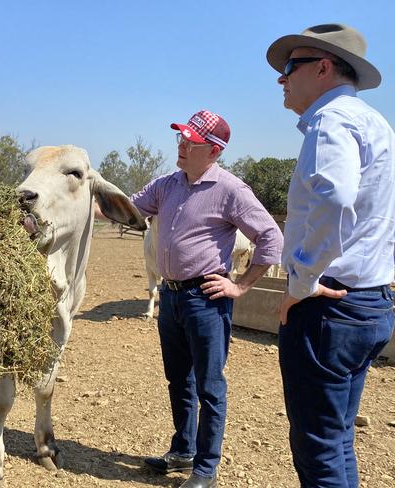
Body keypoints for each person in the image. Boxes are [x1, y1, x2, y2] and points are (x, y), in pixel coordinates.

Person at [266, 24, 395, 487]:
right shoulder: (376, 123)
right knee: (336, 441)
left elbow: (334, 200)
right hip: (371, 302)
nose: (282, 79)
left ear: (323, 67)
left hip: (328, 309)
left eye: (289, 67)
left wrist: (301, 283)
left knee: (319, 451)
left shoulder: (329, 121)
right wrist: (377, 258)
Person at [133, 111, 283, 488]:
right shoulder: (167, 184)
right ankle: (183, 450)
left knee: (209, 384)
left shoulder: (231, 190)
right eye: (180, 139)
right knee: (177, 380)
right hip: (170, 296)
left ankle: (206, 467)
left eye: (190, 142)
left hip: (206, 299)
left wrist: (242, 285)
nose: (181, 146)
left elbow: (271, 238)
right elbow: (129, 208)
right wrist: (80, 197)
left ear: (213, 151)